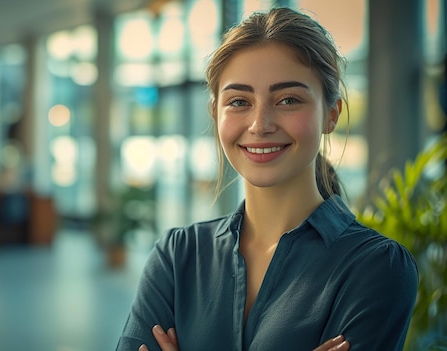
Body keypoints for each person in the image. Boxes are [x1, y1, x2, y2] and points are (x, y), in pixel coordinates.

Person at [116, 7, 418, 351]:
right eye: (239, 101)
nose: (260, 125)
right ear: (215, 113)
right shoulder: (177, 256)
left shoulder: (375, 267)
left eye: (288, 100)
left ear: (330, 115)